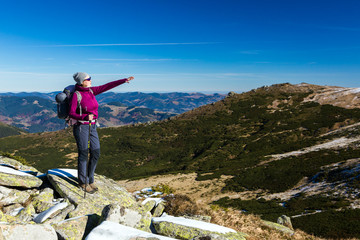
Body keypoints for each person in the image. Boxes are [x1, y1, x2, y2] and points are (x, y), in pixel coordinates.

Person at [69, 72, 134, 193]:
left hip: (93, 126)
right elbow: (71, 113)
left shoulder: (91, 91)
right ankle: (83, 182)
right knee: (83, 153)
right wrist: (84, 117)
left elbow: (106, 86)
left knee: (96, 152)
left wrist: (123, 80)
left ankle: (90, 179)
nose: (91, 80)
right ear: (82, 81)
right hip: (81, 127)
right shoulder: (76, 95)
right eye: (89, 79)